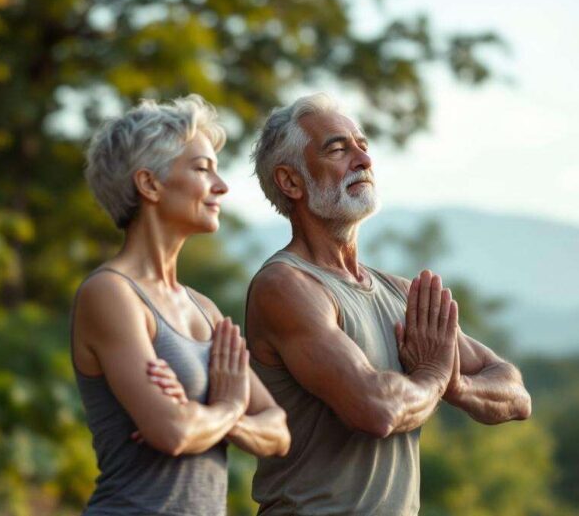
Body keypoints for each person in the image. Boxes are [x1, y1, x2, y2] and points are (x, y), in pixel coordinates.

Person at [245, 93, 532, 515]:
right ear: (291, 181)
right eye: (338, 149)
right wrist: (435, 375)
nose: (363, 160)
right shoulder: (285, 287)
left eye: (362, 145)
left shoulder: (397, 293)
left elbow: (516, 394)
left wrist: (458, 386)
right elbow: (375, 409)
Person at [72, 95, 290, 515]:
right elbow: (171, 431)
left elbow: (279, 430)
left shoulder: (204, 309)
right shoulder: (111, 294)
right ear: (149, 184)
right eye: (203, 169)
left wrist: (208, 416)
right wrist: (227, 406)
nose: (222, 186)